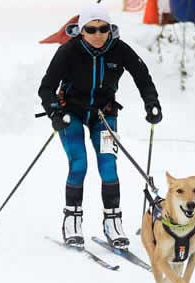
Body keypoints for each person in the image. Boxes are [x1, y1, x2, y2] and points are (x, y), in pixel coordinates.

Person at [38, 3, 162, 249]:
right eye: (91, 29)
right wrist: (53, 110)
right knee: (79, 164)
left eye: (103, 29)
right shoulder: (68, 51)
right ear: (81, 30)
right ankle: (72, 221)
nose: (97, 35)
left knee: (108, 166)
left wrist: (152, 104)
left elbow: (142, 77)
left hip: (103, 114)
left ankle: (112, 223)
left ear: (110, 29)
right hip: (70, 113)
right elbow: (46, 87)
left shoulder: (120, 49)